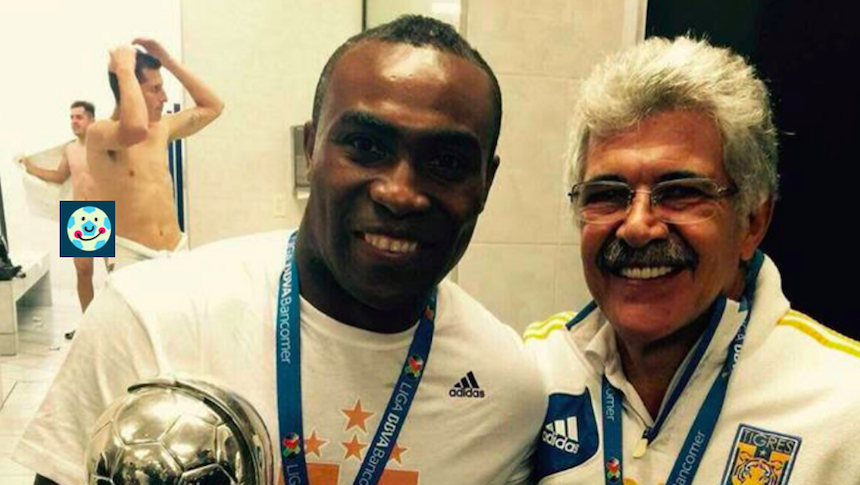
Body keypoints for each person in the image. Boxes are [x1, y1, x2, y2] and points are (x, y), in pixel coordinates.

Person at [14, 16, 546, 485]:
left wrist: (166, 64)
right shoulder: (148, 316)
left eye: (447, 162)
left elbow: (208, 107)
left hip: (166, 240)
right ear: (311, 149)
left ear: (486, 182)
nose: (399, 193)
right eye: (365, 146)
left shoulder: (508, 391)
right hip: (117, 236)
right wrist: (122, 70)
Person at [524, 36, 860, 484]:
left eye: (680, 192)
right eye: (607, 194)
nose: (637, 227)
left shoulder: (846, 406)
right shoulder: (533, 373)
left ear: (752, 222)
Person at [86, 38, 223, 269]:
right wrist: (124, 69)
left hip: (176, 249)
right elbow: (135, 129)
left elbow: (213, 106)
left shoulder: (162, 127)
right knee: (83, 269)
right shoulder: (100, 134)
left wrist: (168, 61)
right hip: (132, 255)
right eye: (155, 89)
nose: (165, 98)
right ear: (129, 89)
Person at [19, 101, 106, 338]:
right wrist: (30, 167)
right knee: (83, 272)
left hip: (105, 211)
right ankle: (88, 326)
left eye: (79, 117)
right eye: (71, 117)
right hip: (78, 215)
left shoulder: (104, 144)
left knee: (116, 272)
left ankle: (115, 328)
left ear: (92, 120)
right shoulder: (70, 149)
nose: (74, 122)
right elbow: (58, 176)